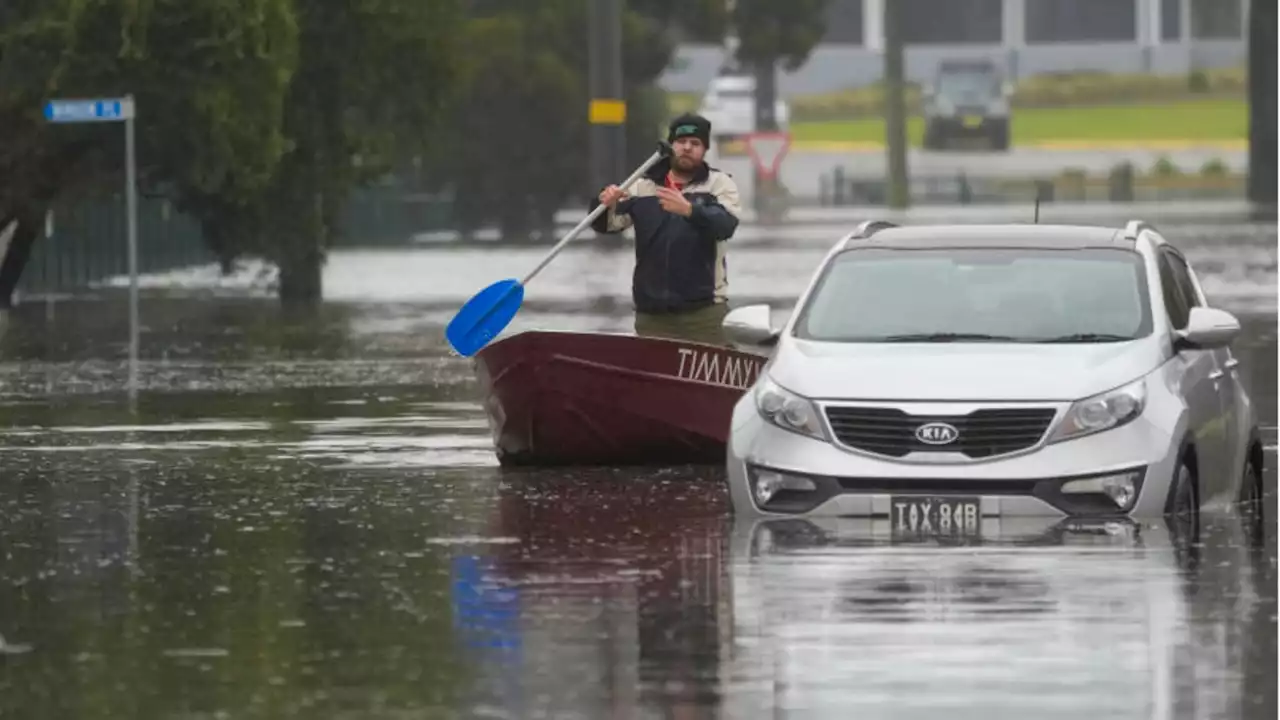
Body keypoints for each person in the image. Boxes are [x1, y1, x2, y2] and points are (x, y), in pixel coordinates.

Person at [590, 113, 742, 347]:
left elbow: (726, 226)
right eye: (681, 142)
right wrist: (603, 204)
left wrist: (690, 210)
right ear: (671, 146)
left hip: (705, 313)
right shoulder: (641, 186)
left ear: (704, 150)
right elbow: (607, 226)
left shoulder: (719, 184)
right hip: (653, 315)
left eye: (695, 143)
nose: (687, 148)